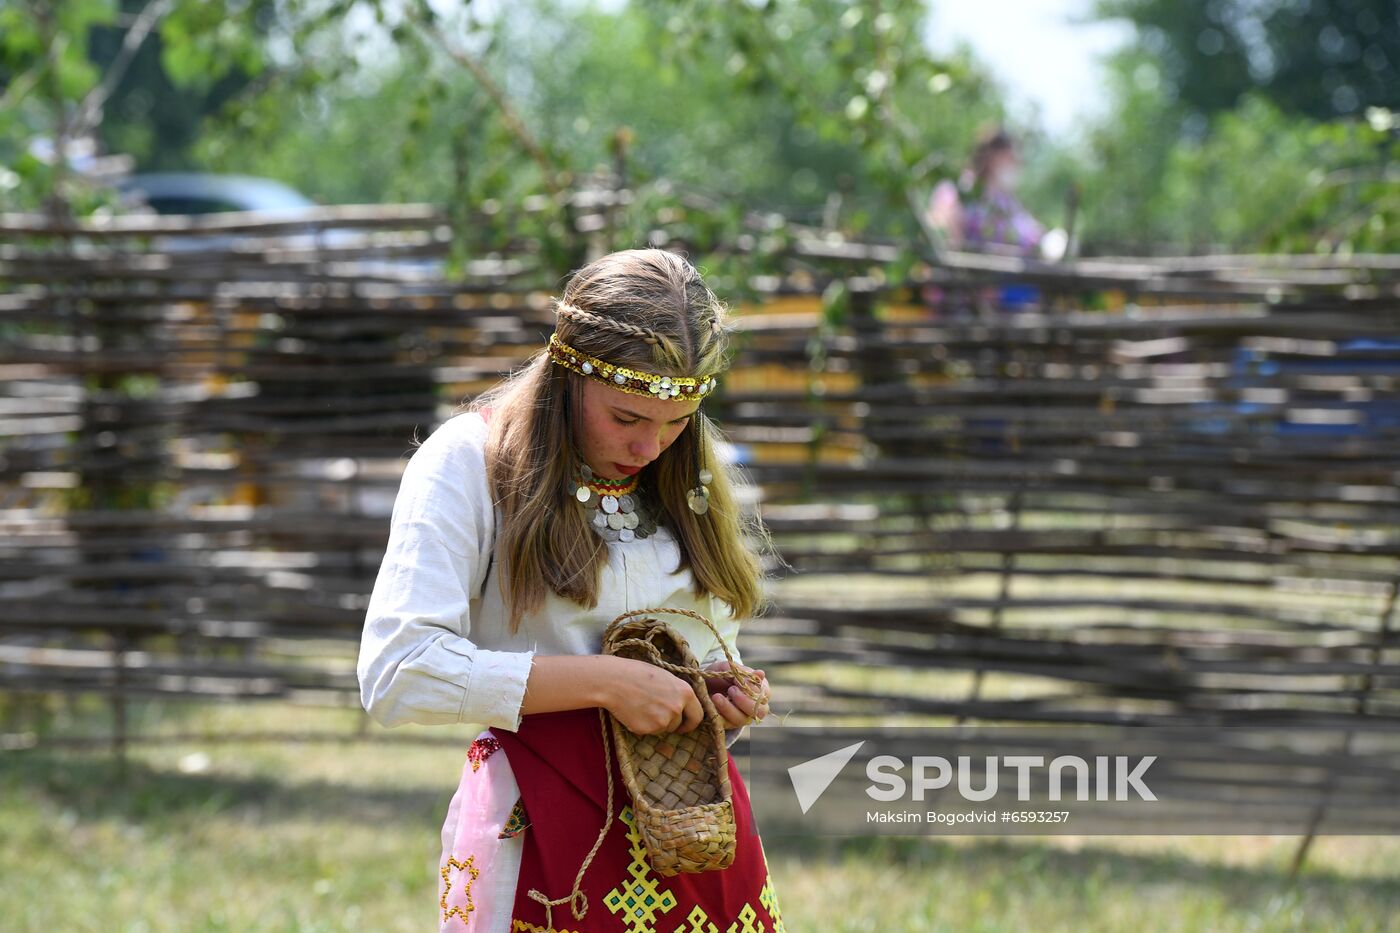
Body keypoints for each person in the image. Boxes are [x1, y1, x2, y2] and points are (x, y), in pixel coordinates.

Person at [357, 248, 784, 932]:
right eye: (627, 418)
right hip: (541, 818)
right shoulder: (469, 461)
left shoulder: (686, 471)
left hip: (691, 825)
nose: (651, 446)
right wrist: (606, 682)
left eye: (677, 420)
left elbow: (709, 644)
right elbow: (398, 672)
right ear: (567, 374)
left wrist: (715, 701)